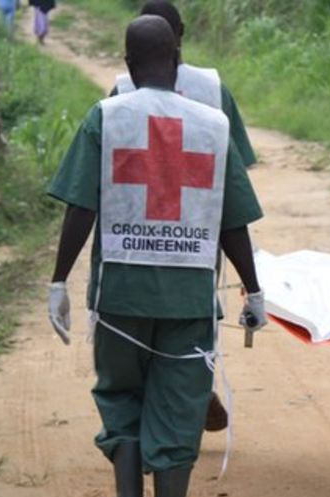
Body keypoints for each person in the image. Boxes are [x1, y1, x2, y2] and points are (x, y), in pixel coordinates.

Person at [46, 15, 266, 497]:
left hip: (120, 292)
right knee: (181, 401)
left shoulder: (107, 116)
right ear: (177, 58)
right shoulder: (212, 125)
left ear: (126, 62)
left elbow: (81, 206)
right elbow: (232, 220)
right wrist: (252, 288)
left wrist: (59, 282)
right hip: (189, 296)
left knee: (121, 391)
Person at [113, 0, 258, 433]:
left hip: (133, 230)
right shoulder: (214, 90)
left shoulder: (121, 90)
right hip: (198, 228)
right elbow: (237, 171)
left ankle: (149, 398)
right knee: (197, 306)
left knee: (137, 317)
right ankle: (195, 383)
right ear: (182, 37)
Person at [112, 0, 256, 171]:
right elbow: (238, 164)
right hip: (201, 196)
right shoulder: (214, 89)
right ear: (181, 30)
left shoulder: (121, 91)